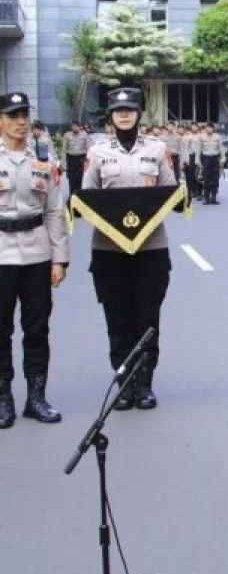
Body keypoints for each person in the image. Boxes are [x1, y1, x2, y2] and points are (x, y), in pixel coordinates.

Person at [82, 87, 176, 410]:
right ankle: (124, 382)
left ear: (139, 113)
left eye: (130, 109)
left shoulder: (158, 150)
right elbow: (87, 197)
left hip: (151, 248)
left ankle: (145, 382)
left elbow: (170, 192)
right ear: (110, 114)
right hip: (109, 250)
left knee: (147, 317)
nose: (124, 114)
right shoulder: (96, 153)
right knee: (118, 315)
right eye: (118, 109)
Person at [0, 91, 67, 428]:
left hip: (37, 253)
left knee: (37, 329)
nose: (21, 121)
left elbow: (55, 211)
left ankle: (36, 397)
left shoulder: (43, 160)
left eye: (24, 114)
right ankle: (3, 398)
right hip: (1, 254)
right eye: (13, 115)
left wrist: (60, 259)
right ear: (1, 119)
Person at [62, 120, 91, 197]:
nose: (74, 128)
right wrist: (63, 164)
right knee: (72, 180)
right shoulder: (67, 135)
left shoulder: (84, 135)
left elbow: (88, 148)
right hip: (71, 159)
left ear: (79, 126)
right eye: (73, 126)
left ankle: (80, 197)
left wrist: (88, 163)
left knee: (81, 180)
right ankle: (72, 197)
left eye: (76, 126)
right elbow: (64, 150)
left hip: (81, 159)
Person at [199, 123, 222, 204]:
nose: (209, 129)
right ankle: (206, 198)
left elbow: (221, 148)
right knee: (206, 179)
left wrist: (222, 159)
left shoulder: (217, 137)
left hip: (215, 159)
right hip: (206, 159)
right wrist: (198, 162)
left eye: (210, 128)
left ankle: (214, 197)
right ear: (205, 129)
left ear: (213, 128)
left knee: (215, 179)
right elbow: (199, 150)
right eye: (207, 128)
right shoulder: (202, 137)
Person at [182, 123, 201, 201]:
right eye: (192, 126)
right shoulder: (186, 137)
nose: (194, 128)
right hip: (190, 156)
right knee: (190, 175)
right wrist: (185, 159)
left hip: (198, 156)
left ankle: (198, 191)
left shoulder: (200, 136)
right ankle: (191, 191)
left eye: (195, 126)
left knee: (198, 174)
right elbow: (185, 149)